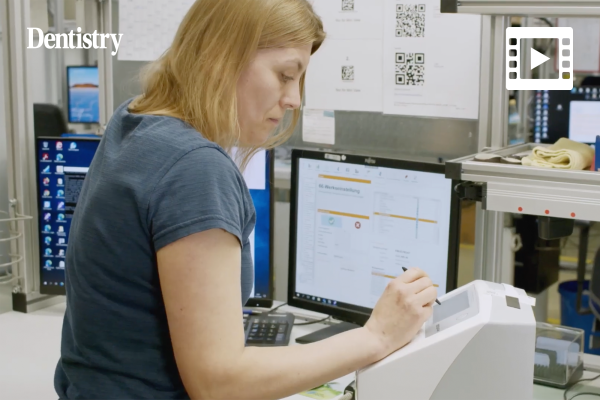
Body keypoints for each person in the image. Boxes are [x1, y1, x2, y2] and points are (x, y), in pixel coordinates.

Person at [54, 0, 438, 399]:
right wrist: (377, 336)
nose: (294, 100)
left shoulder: (134, 121)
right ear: (220, 56)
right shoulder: (194, 167)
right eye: (285, 75)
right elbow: (219, 383)